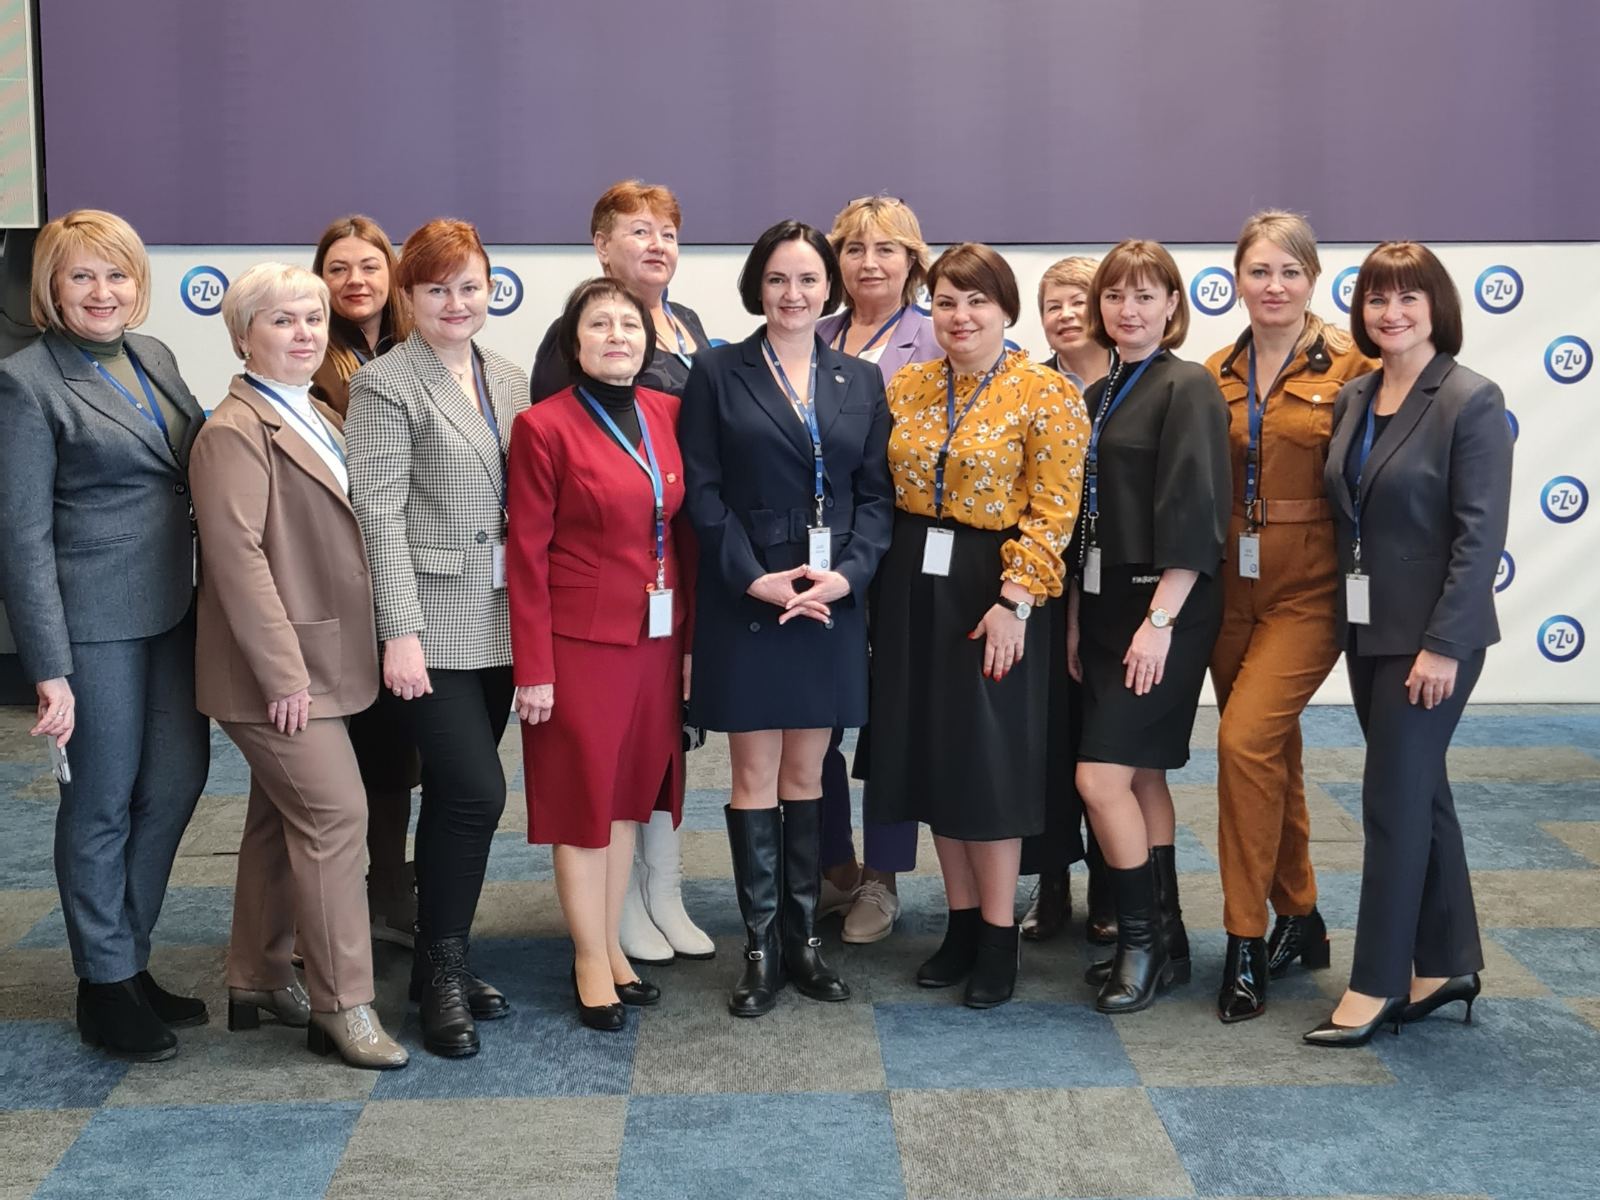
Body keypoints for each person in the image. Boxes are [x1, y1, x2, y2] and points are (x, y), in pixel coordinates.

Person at [0, 210, 210, 1062]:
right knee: (100, 799)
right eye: (81, 276)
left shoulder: (153, 355)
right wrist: (48, 667)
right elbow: (21, 538)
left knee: (178, 783)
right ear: (51, 287)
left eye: (116, 274)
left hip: (174, 608)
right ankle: (104, 983)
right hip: (92, 626)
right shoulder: (26, 383)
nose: (102, 292)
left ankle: (128, 955)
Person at [191, 263, 407, 1069]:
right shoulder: (233, 432)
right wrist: (284, 675)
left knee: (277, 823)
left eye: (312, 318)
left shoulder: (316, 410)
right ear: (242, 335)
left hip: (325, 656)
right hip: (278, 675)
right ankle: (343, 1004)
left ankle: (256, 976)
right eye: (281, 320)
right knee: (335, 818)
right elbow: (239, 563)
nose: (304, 333)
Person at [863, 243, 1088, 1009]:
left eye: (977, 301)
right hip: (912, 586)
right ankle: (960, 926)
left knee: (988, 769)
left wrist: (1016, 601)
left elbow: (1054, 511)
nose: (960, 317)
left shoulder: (1045, 391)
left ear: (1006, 310)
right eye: (946, 302)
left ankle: (997, 935)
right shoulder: (910, 385)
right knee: (934, 759)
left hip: (995, 590)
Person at [679, 219, 893, 1017]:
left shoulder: (858, 379)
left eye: (807, 279)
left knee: (809, 774)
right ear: (756, 286)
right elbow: (702, 492)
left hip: (829, 600)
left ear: (828, 287)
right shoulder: (717, 371)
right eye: (777, 279)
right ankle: (761, 948)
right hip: (752, 601)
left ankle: (803, 942)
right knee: (754, 778)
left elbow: (876, 497)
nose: (793, 294)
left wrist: (846, 577)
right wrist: (754, 581)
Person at [1306, 241, 1511, 1047]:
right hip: (1368, 626)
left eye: (1408, 298)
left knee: (1391, 802)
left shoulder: (1470, 399)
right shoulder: (1357, 395)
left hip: (1432, 639)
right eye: (1377, 298)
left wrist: (1443, 645)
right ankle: (1447, 962)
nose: (1391, 313)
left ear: (1436, 308)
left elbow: (1479, 539)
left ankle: (1378, 983)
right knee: (1421, 793)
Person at [346, 218, 531, 1058]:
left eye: (469, 286)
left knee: (459, 803)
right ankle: (445, 972)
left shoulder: (509, 376)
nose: (456, 302)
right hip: (430, 625)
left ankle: (435, 964)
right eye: (436, 289)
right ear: (408, 297)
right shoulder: (385, 384)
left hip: (501, 622)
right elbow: (377, 517)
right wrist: (400, 632)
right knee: (477, 793)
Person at [529, 180, 714, 967]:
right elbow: (555, 503)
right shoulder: (565, 354)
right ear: (602, 247)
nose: (656, 244)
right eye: (638, 231)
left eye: (667, 231)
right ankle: (614, 920)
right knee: (595, 779)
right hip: (594, 607)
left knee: (654, 763)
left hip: (663, 600)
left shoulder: (688, 328)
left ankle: (658, 894)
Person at [1203, 212, 1377, 1023]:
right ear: (1237, 279)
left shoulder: (1356, 366)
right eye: (1259, 271)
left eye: (1289, 272)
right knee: (1272, 754)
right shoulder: (1216, 371)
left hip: (1310, 587)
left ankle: (1244, 938)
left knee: (1242, 741)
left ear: (1313, 279)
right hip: (1229, 583)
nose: (1273, 286)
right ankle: (1301, 915)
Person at [507, 278, 692, 1030]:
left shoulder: (666, 413)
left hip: (655, 639)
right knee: (583, 802)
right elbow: (526, 554)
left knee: (625, 800)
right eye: (600, 324)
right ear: (573, 342)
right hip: (578, 645)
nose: (617, 335)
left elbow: (681, 534)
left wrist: (689, 645)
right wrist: (534, 669)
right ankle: (588, 961)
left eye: (629, 324)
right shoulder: (542, 426)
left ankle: (611, 946)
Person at [1070, 240, 1230, 1015]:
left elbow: (1197, 514)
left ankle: (1138, 946)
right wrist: (1077, 620)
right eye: (1114, 296)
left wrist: (1160, 621)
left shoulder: (1187, 384)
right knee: (1141, 777)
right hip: (1105, 608)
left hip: (1164, 607)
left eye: (1144, 295)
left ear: (1172, 304)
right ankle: (1169, 938)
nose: (1127, 310)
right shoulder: (1102, 390)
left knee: (1098, 779)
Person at [811, 195, 941, 945]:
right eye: (854, 249)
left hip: (903, 552)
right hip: (821, 552)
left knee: (890, 718)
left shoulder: (936, 335)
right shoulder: (814, 332)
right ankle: (834, 865)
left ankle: (882, 879)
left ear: (912, 262)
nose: (869, 263)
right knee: (815, 713)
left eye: (886, 249)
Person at [310, 214, 421, 952]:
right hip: (336, 574)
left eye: (369, 266)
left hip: (412, 574)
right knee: (330, 753)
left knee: (395, 746)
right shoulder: (307, 353)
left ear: (393, 275)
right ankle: (331, 907)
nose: (355, 280)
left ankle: (390, 886)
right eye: (338, 268)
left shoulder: (422, 349)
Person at [1020, 255, 1115, 946]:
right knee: (1046, 743)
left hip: (1115, 589)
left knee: (1105, 742)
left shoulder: (1133, 381)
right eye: (1053, 304)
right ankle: (1050, 883)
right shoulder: (1030, 385)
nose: (1066, 314)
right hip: (1046, 586)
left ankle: (1112, 886)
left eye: (1079, 299)